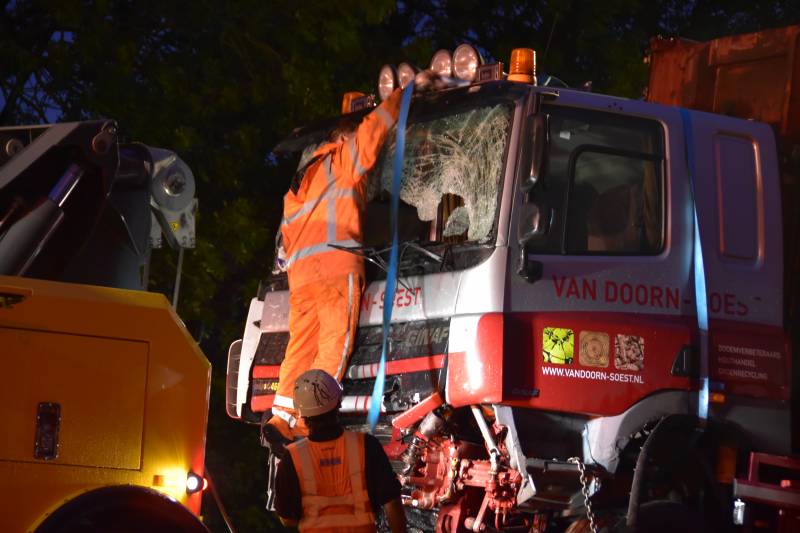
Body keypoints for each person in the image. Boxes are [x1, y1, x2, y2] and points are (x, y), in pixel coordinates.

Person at [263, 71, 443, 444]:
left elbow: (287, 236)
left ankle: (281, 417)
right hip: (335, 267)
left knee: (300, 346)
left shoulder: (300, 182)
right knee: (334, 345)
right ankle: (309, 418)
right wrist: (404, 94)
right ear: (342, 137)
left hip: (301, 277)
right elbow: (374, 131)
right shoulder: (342, 160)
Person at [274, 369, 407, 533]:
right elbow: (392, 503)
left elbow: (287, 519)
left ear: (301, 412)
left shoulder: (292, 458)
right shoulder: (366, 445)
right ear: (338, 403)